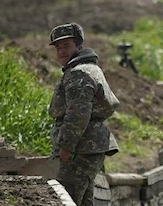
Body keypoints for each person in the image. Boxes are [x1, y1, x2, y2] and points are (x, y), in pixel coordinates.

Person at [48, 22, 120, 206]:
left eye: (66, 46)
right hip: (89, 146)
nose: (61, 52)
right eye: (58, 47)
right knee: (83, 200)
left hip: (81, 148)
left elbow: (77, 114)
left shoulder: (78, 74)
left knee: (67, 198)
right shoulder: (89, 68)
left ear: (79, 47)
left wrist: (66, 147)